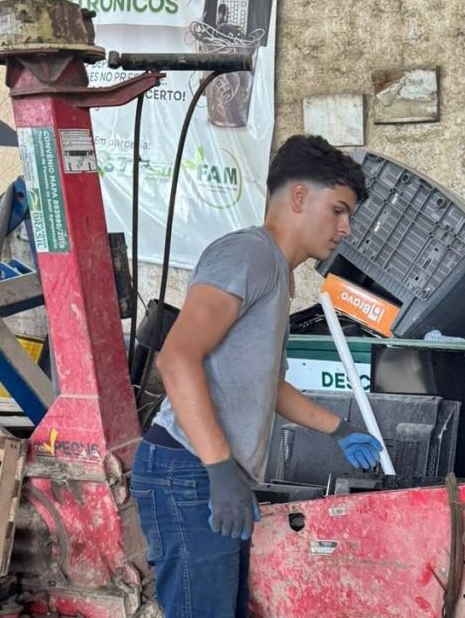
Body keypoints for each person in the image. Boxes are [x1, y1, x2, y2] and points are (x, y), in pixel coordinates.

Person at [131, 135, 384, 617]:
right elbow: (177, 357)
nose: (345, 228)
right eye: (338, 210)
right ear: (299, 197)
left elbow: (267, 385)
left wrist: (339, 428)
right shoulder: (248, 254)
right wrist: (219, 468)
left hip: (208, 471)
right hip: (188, 471)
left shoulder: (276, 272)